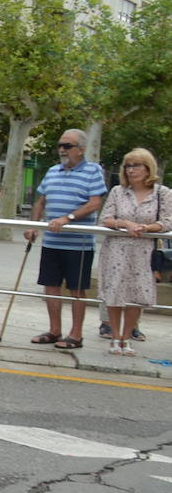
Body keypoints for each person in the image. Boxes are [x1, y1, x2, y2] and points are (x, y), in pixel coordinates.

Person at [24, 129, 107, 350]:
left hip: (78, 243)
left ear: (81, 149)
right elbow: (41, 201)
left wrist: (67, 218)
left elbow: (95, 203)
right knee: (50, 286)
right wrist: (33, 225)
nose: (62, 149)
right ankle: (54, 330)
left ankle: (76, 334)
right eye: (60, 145)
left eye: (67, 146)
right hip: (52, 241)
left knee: (76, 289)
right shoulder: (52, 171)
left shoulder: (93, 171)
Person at [98, 148, 170, 355]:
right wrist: (125, 223)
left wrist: (146, 228)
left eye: (136, 165)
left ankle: (126, 337)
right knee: (114, 292)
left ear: (148, 168)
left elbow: (167, 222)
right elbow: (106, 218)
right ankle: (113, 336)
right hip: (117, 248)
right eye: (128, 166)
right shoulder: (117, 191)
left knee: (136, 294)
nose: (131, 170)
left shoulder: (162, 193)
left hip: (143, 250)